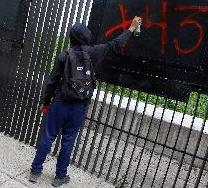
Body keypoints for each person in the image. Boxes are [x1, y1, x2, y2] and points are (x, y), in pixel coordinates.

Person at [28, 16, 142, 187]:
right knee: (68, 140)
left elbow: (52, 81)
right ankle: (60, 177)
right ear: (87, 37)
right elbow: (115, 44)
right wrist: (132, 28)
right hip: (79, 106)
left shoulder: (63, 56)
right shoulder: (95, 52)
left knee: (48, 137)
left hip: (59, 103)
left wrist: (46, 102)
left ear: (71, 38)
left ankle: (35, 172)